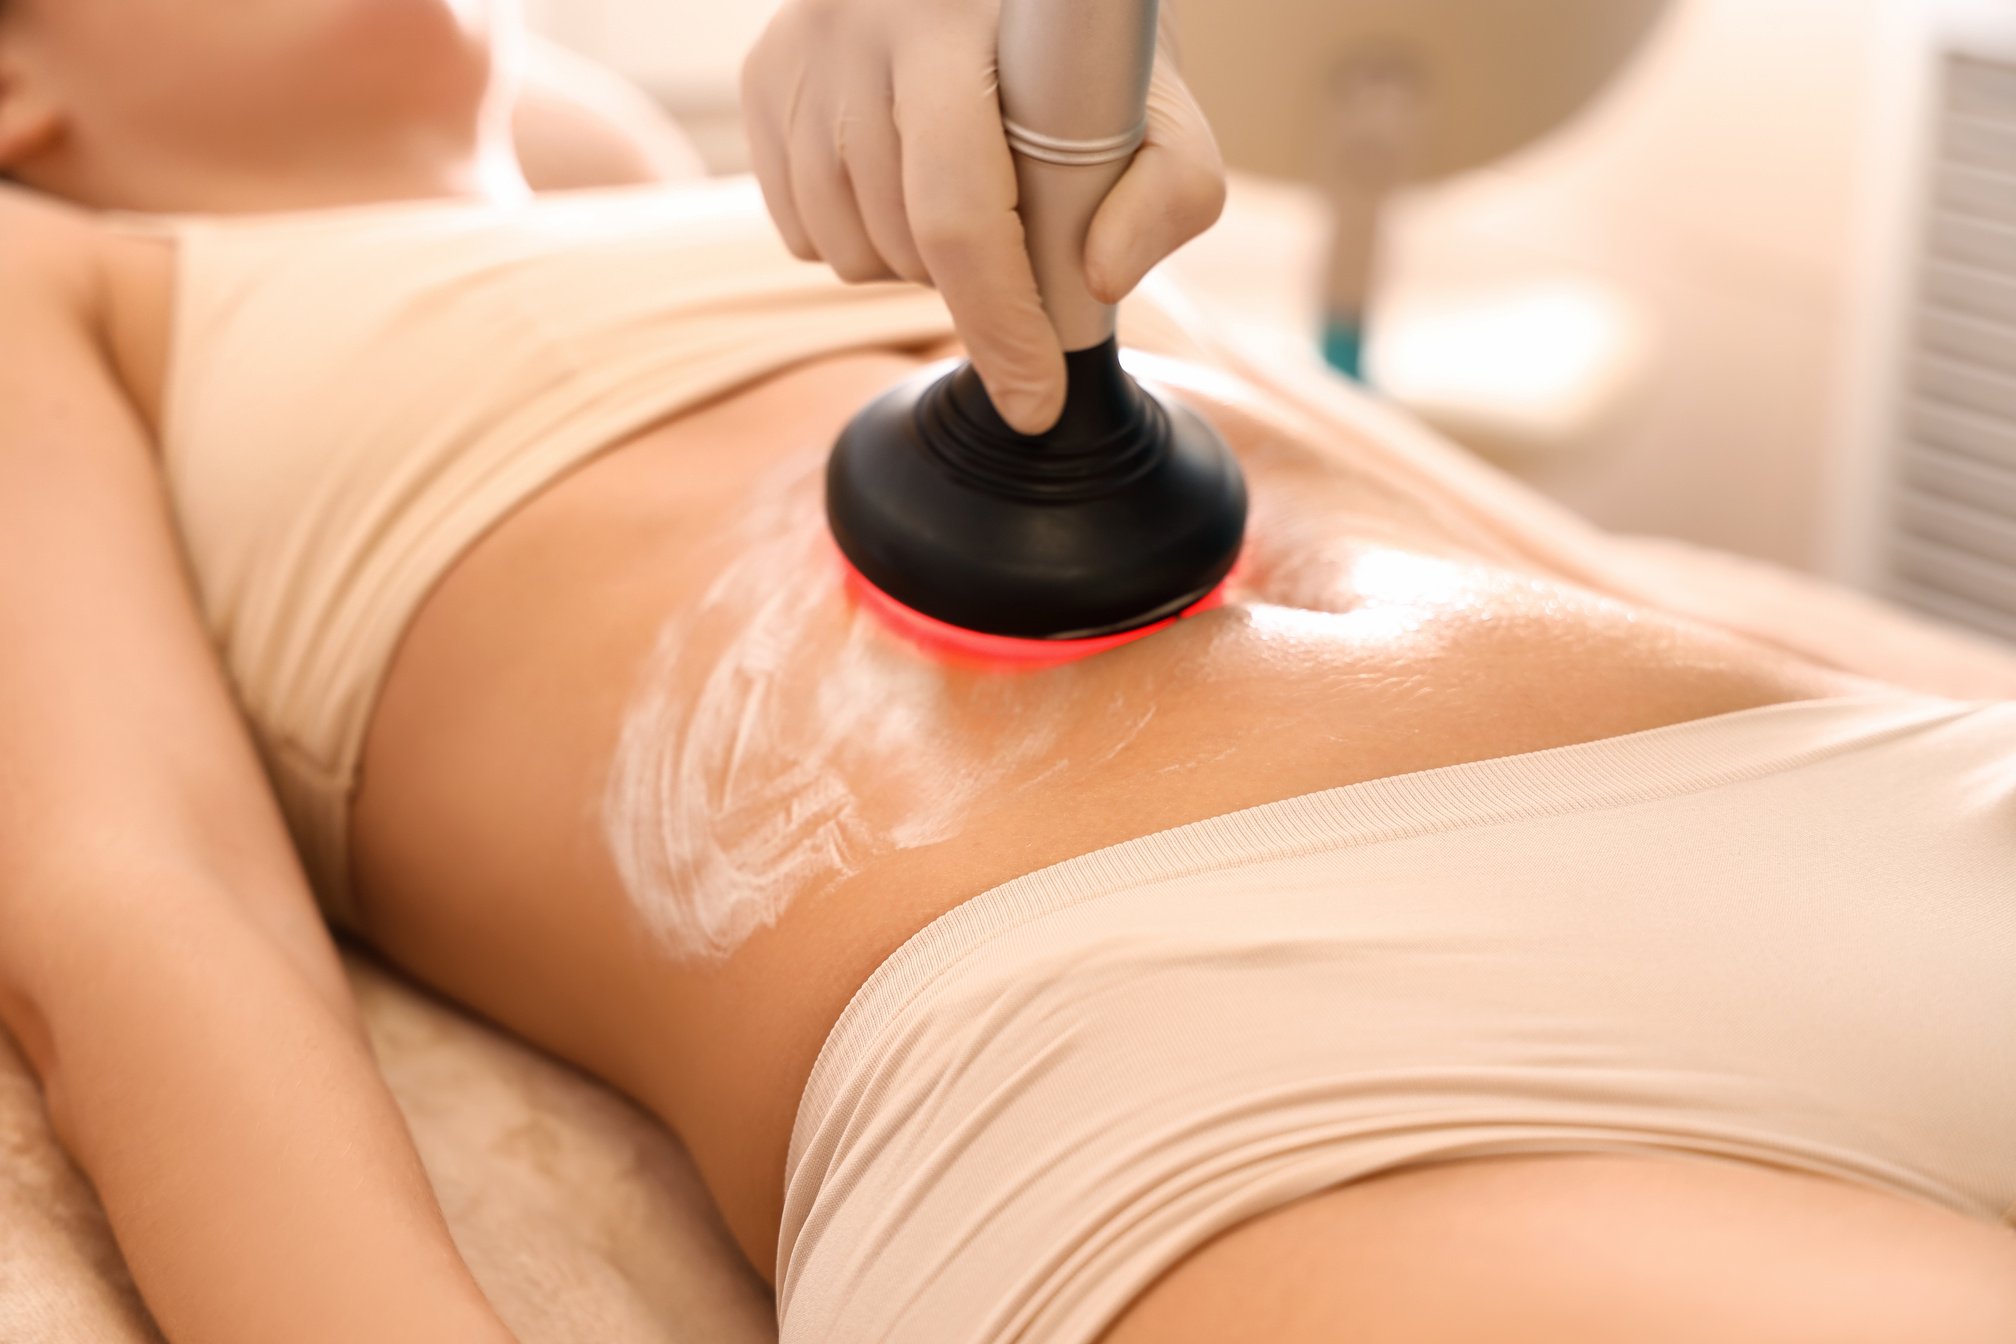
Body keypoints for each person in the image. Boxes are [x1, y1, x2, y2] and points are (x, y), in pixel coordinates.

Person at [0, 2, 2010, 1342]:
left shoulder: (723, 167)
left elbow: (1575, 557)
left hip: (1828, 800)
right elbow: (134, 898)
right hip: (1188, 1045)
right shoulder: (69, 285)